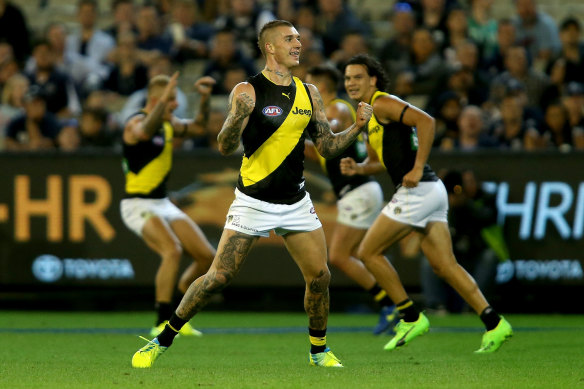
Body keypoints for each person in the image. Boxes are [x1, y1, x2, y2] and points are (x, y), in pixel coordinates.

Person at [131, 19, 373, 368]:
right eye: (289, 39)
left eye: (299, 38)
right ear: (270, 47)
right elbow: (226, 146)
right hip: (253, 202)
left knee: (320, 277)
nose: (298, 43)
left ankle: (318, 352)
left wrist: (358, 126)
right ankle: (162, 339)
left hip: (295, 202)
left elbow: (327, 147)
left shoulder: (311, 93)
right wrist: (233, 120)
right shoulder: (247, 90)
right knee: (218, 277)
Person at [340, 54, 512, 353]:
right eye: (347, 78)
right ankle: (495, 322)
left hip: (419, 188)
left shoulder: (382, 102)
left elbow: (426, 121)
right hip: (432, 190)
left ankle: (408, 315)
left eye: (357, 77)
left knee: (368, 252)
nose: (351, 83)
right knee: (445, 265)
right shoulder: (367, 114)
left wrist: (418, 167)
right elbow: (378, 161)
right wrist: (359, 168)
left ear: (373, 80)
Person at [120, 72, 217, 339]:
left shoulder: (168, 124)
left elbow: (199, 128)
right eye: (171, 100)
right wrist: (163, 102)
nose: (175, 105)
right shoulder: (135, 123)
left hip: (161, 203)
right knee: (172, 250)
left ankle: (181, 306)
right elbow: (142, 132)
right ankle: (161, 321)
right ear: (156, 99)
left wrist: (206, 99)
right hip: (137, 204)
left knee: (207, 256)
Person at [304, 64, 397, 335]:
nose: (307, 91)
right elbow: (321, 150)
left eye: (310, 85)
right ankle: (396, 304)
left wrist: (293, 132)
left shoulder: (337, 109)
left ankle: (392, 305)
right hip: (357, 191)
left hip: (359, 189)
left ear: (321, 86)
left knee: (341, 255)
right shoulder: (331, 110)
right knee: (363, 254)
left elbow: (328, 135)